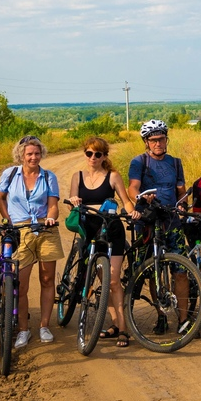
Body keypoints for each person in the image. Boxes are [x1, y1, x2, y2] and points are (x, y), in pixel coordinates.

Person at [67, 136, 134, 348]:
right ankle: (114, 325)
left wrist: (133, 213)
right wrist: (74, 201)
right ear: (85, 154)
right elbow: (71, 203)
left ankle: (123, 329)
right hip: (90, 231)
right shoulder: (77, 177)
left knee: (113, 281)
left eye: (98, 154)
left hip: (112, 230)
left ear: (104, 156)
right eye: (89, 153)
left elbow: (126, 201)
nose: (93, 157)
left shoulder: (113, 176)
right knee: (104, 281)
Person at [0, 135, 62, 349]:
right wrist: (7, 219)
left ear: (41, 154)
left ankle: (44, 326)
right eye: (29, 154)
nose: (33, 157)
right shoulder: (10, 174)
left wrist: (52, 217)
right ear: (21, 155)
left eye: (36, 153)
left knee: (47, 280)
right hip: (20, 229)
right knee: (21, 284)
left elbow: (53, 204)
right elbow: (0, 197)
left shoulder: (48, 176)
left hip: (45, 228)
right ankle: (23, 329)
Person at [126, 119, 190, 334]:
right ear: (146, 142)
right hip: (148, 221)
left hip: (172, 220)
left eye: (161, 138)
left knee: (181, 271)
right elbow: (132, 187)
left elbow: (180, 190)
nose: (158, 143)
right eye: (153, 140)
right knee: (153, 270)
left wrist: (183, 206)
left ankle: (183, 319)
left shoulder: (175, 162)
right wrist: (141, 197)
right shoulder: (139, 162)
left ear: (166, 139)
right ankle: (161, 314)